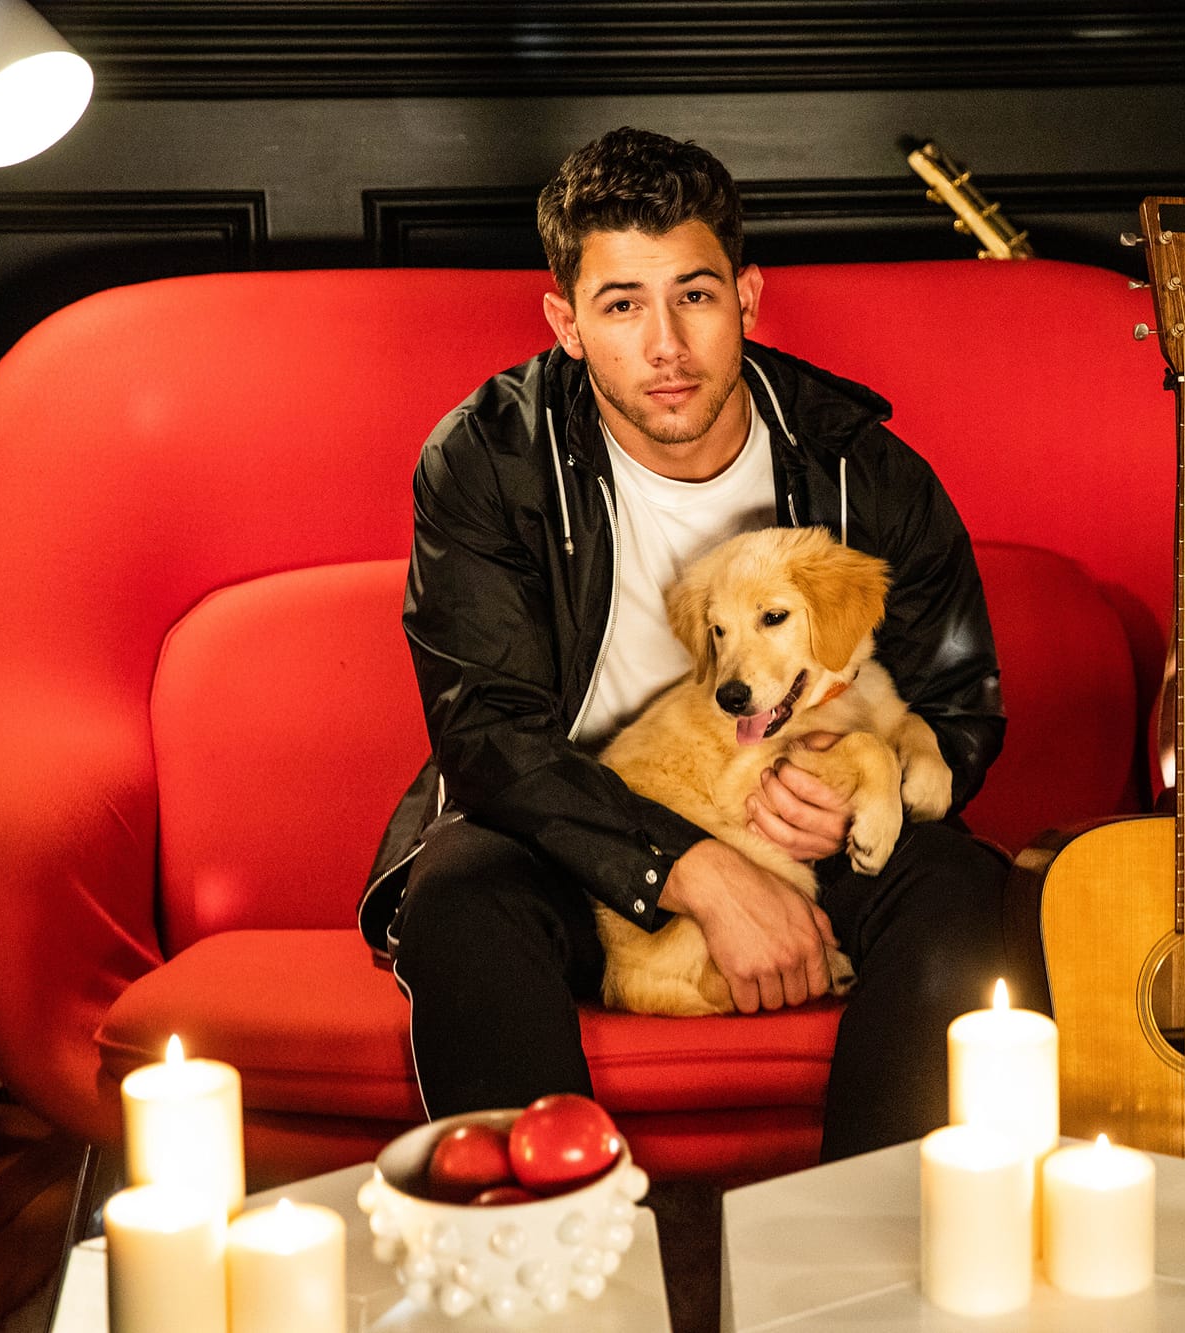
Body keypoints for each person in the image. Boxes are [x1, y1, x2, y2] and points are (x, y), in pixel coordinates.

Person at [358, 126, 1008, 1161]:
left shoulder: (859, 464)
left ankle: (868, 1246)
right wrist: (690, 870)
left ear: (745, 298)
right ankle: (540, 1249)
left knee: (966, 892)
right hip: (562, 837)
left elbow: (958, 700)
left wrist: (852, 797)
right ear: (567, 323)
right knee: (460, 902)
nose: (666, 345)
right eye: (622, 305)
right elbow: (486, 734)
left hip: (803, 819)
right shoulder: (488, 457)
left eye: (694, 296)